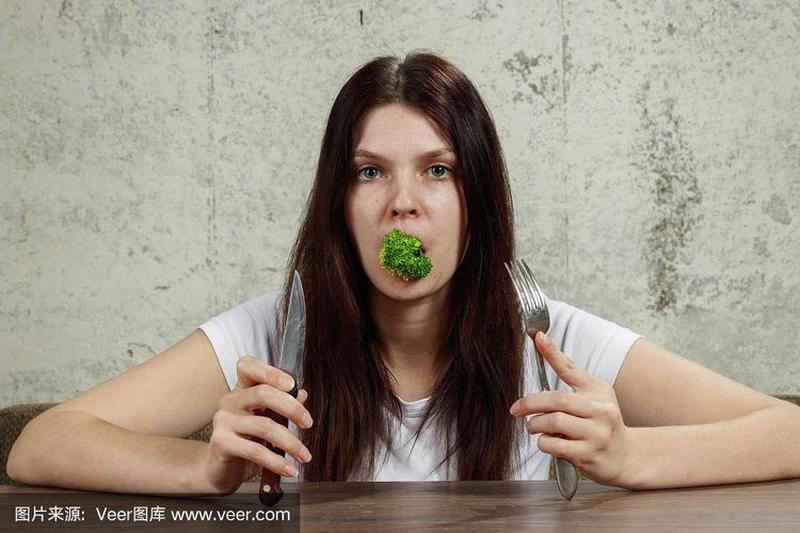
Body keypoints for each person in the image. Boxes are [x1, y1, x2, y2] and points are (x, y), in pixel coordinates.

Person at [7, 52, 800, 493]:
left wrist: (633, 459)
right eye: (368, 172)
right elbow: (40, 446)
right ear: (339, 205)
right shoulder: (274, 335)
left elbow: (788, 430)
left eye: (438, 171)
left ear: (476, 199)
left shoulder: (545, 335)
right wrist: (207, 466)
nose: (403, 205)